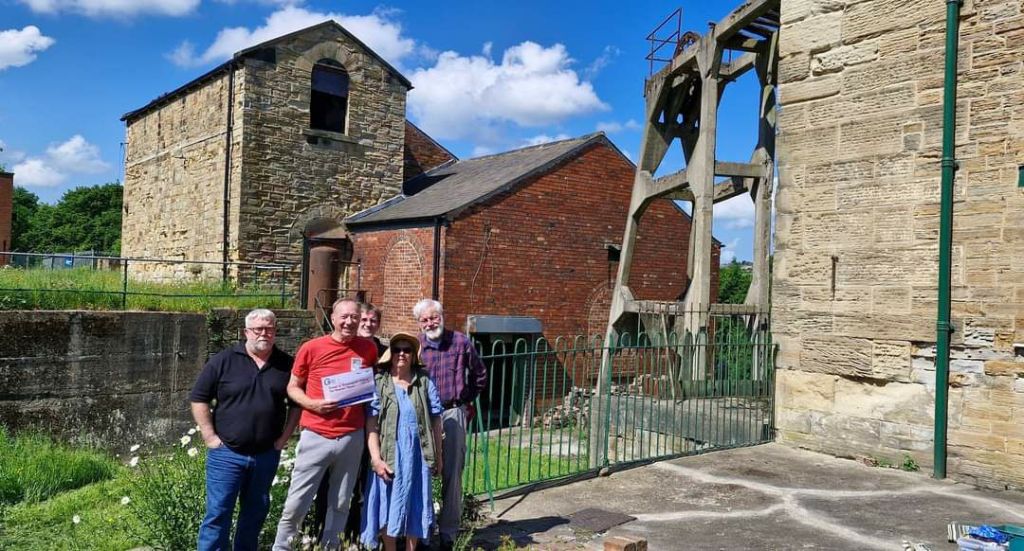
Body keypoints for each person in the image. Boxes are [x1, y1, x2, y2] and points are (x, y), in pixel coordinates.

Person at [272, 298, 378, 550]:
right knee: (297, 501)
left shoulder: (368, 349)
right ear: (333, 317)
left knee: (341, 501)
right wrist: (312, 404)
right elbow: (293, 387)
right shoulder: (311, 348)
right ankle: (281, 547)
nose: (349, 322)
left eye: (354, 317)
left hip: (352, 436)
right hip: (316, 434)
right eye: (344, 316)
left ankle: (331, 546)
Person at [190, 308, 300, 551]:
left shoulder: (286, 365)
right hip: (226, 454)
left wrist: (284, 438)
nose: (264, 333)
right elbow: (199, 398)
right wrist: (209, 436)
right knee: (218, 514)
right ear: (246, 332)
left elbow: (296, 405)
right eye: (258, 329)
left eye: (269, 329)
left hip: (265, 455)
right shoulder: (224, 360)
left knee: (255, 514)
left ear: (275, 331)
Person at [413, 299, 487, 550]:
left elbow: (480, 375)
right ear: (419, 323)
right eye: (425, 319)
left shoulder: (460, 342)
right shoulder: (416, 347)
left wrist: (465, 402)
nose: (430, 323)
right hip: (423, 416)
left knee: (452, 474)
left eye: (434, 317)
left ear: (442, 316)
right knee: (422, 473)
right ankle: (422, 532)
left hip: (452, 412)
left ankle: (448, 534)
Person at [360, 332, 443, 551]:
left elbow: (436, 420)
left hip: (418, 454)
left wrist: (439, 456)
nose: (402, 354)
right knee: (388, 503)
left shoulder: (424, 380)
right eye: (398, 349)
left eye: (407, 350)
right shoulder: (380, 382)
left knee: (416, 501)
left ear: (414, 355)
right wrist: (376, 458)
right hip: (389, 453)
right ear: (391, 353)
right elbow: (372, 424)